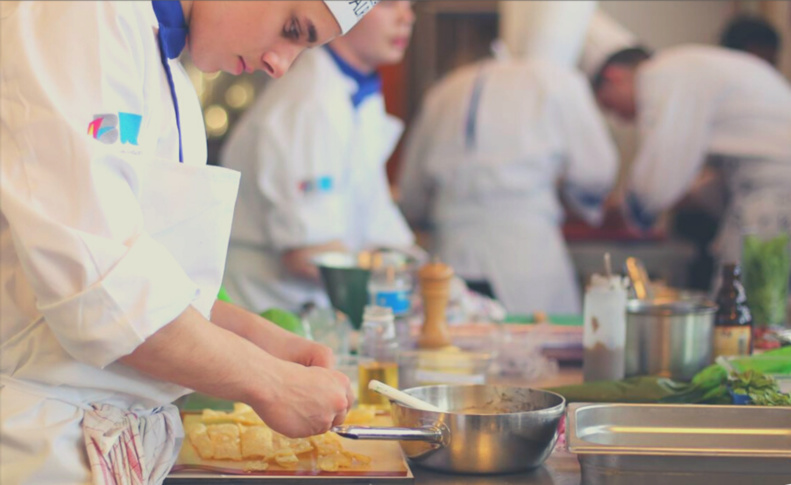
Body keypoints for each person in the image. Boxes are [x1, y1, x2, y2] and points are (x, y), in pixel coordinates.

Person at [0, 1, 380, 483]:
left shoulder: (170, 72)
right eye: (291, 30)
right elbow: (100, 293)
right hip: (35, 443)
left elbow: (155, 281)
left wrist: (263, 342)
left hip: (105, 441)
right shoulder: (83, 16)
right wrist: (270, 384)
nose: (280, 66)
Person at [220, 1, 416, 314]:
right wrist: (405, 280)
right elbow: (309, 253)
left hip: (313, 309)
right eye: (388, 4)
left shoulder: (356, 92)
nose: (406, 18)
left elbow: (378, 223)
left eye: (411, 5)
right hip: (268, 309)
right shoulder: (310, 101)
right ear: (340, 13)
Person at [398, 57, 619, 314]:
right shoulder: (558, 80)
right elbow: (596, 173)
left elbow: (411, 192)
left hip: (450, 254)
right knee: (537, 347)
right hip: (526, 255)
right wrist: (572, 196)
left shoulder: (446, 87)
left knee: (451, 346)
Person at [588, 43, 791, 270]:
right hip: (768, 185)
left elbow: (661, 176)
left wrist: (624, 209)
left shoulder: (658, 74)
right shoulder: (684, 65)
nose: (621, 119)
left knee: (747, 296)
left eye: (610, 106)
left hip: (773, 193)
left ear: (613, 77)